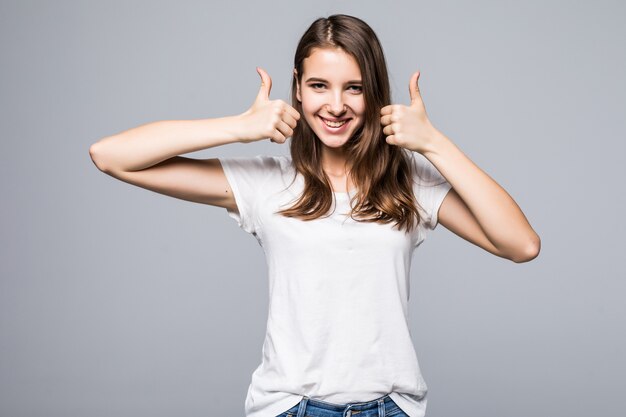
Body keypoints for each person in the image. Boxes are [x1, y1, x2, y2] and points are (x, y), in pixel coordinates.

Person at [89, 13, 540, 417]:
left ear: (374, 92)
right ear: (298, 89)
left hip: (391, 409)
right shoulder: (265, 183)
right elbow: (111, 156)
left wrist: (434, 144)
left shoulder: (409, 184)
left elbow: (521, 244)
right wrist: (238, 128)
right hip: (290, 408)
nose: (336, 105)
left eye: (355, 87)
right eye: (319, 85)